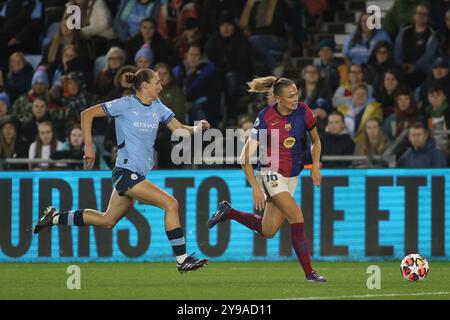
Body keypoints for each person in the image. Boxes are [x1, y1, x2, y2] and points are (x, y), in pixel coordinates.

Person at [33, 68, 210, 273]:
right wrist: (89, 146)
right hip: (126, 172)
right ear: (145, 85)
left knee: (108, 220)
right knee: (171, 204)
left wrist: (197, 128)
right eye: (157, 82)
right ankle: (182, 259)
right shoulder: (124, 104)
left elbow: (179, 130)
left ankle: (54, 217)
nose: (161, 86)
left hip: (136, 174)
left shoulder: (158, 106)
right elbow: (87, 114)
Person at [207, 76, 326, 282]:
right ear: (278, 98)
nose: (295, 98)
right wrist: (255, 186)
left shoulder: (304, 111)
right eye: (290, 96)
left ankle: (229, 212)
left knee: (268, 230)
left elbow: (315, 140)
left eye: (296, 93)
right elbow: (245, 156)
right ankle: (310, 273)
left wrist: (314, 166)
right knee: (296, 216)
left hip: (291, 176)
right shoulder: (265, 118)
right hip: (270, 174)